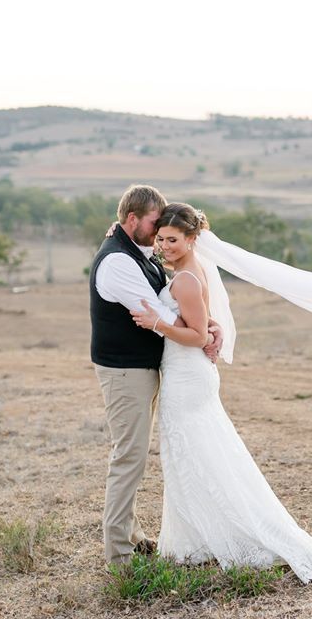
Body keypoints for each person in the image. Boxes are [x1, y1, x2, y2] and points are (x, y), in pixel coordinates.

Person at [131, 203, 312, 583]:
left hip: (187, 377)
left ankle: (215, 539)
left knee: (194, 455)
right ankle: (196, 539)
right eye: (160, 239)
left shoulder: (185, 279)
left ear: (191, 239)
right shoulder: (188, 273)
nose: (164, 245)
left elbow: (196, 335)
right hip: (188, 374)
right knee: (198, 456)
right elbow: (200, 322)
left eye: (172, 240)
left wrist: (156, 323)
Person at [89, 185, 221, 566]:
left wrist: (210, 326)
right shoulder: (117, 261)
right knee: (128, 456)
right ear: (132, 220)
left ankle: (132, 535)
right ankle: (119, 554)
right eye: (154, 224)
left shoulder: (139, 253)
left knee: (133, 454)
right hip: (124, 370)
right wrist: (202, 331)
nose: (159, 233)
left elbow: (179, 309)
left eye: (168, 231)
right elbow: (158, 314)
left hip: (148, 368)